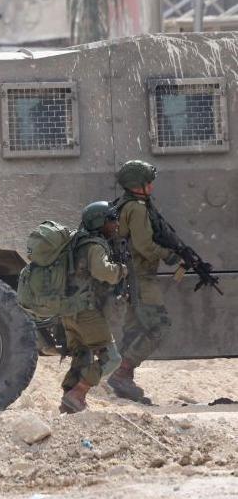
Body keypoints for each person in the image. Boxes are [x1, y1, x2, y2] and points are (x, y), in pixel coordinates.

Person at [107, 160, 180, 403]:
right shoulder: (137, 209)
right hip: (140, 278)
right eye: (148, 181)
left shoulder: (128, 204)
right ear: (138, 185)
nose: (152, 185)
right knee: (159, 326)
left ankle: (121, 381)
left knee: (133, 329)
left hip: (131, 276)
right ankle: (122, 374)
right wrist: (170, 255)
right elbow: (145, 246)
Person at [59, 201, 127, 414]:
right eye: (111, 220)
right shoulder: (94, 245)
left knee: (82, 356)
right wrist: (120, 270)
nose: (116, 224)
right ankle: (78, 393)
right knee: (112, 358)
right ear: (100, 222)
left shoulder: (77, 242)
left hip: (68, 311)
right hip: (86, 311)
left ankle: (68, 401)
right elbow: (102, 271)